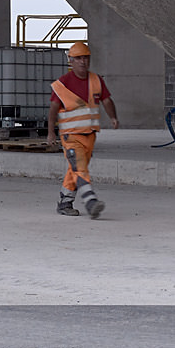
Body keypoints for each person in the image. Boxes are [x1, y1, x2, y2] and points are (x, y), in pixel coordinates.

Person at [46, 42, 117, 218]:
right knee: (80, 167)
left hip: (90, 135)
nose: (82, 62)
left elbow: (106, 100)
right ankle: (90, 201)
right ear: (71, 60)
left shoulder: (96, 80)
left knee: (76, 169)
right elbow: (53, 109)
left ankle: (65, 202)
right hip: (70, 136)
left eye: (85, 57)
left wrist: (113, 117)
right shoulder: (63, 84)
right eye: (78, 58)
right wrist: (51, 132)